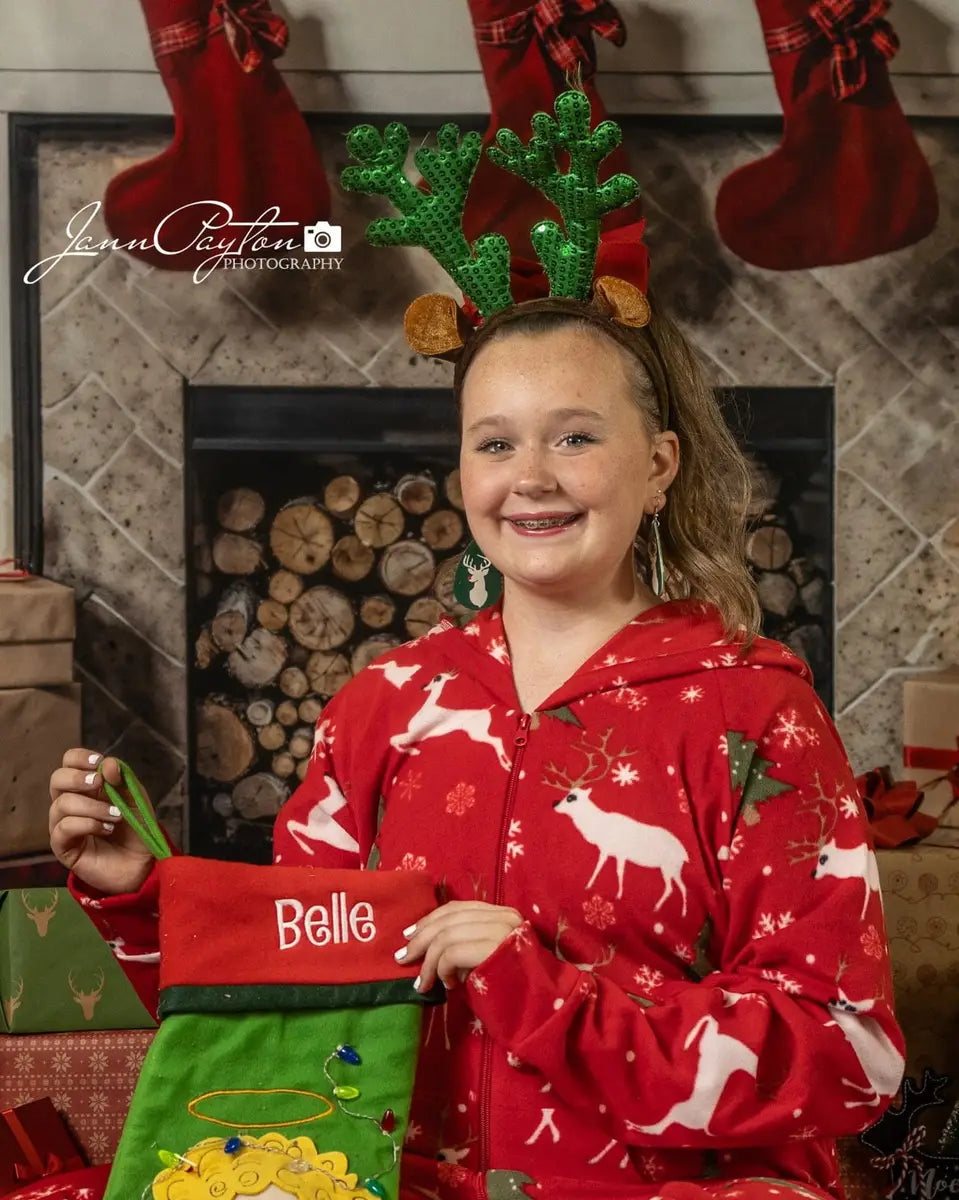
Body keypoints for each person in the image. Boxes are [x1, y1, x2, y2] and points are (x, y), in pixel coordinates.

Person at [49, 94, 903, 1200]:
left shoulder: (752, 715)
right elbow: (297, 994)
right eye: (494, 443)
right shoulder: (384, 706)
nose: (530, 477)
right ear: (461, 474)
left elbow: (848, 1055)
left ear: (656, 467)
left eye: (576, 438)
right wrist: (137, 893)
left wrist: (539, 991)